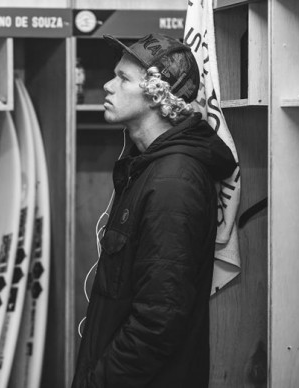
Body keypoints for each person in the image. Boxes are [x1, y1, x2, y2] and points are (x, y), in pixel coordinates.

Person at [72, 33, 237, 388]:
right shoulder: (148, 167)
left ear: (157, 94)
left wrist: (97, 382)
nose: (107, 85)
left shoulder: (173, 183)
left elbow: (157, 323)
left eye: (123, 78)